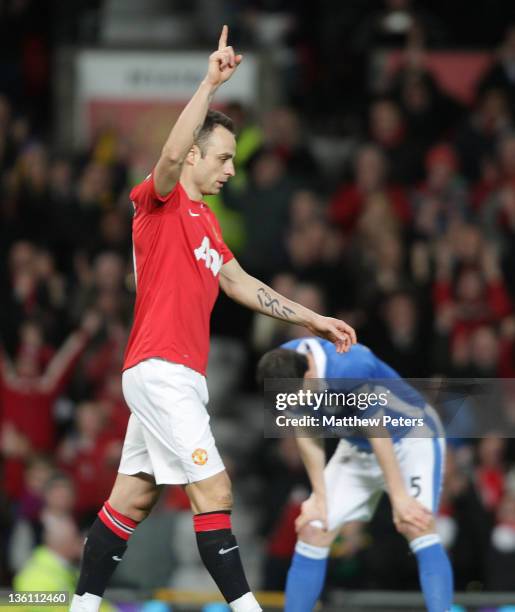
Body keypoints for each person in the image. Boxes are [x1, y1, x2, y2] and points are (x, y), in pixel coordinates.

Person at [70, 26, 356, 612]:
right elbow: (170, 155)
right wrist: (209, 82)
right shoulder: (159, 201)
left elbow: (239, 282)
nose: (231, 169)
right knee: (217, 489)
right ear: (197, 154)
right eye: (224, 158)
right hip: (160, 369)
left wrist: (314, 318)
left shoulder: (207, 223)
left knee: (132, 499)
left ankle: (79, 607)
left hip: (176, 374)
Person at [257, 337, 453, 612]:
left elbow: (379, 432)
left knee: (416, 524)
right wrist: (319, 497)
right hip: (357, 444)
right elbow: (306, 428)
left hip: (411, 438)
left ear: (310, 373)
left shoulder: (350, 365)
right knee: (313, 528)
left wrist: (399, 497)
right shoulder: (283, 366)